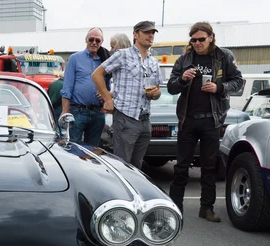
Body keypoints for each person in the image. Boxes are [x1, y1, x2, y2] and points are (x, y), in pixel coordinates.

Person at [167, 22, 243, 222]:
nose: (197, 43)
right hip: (187, 120)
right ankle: (175, 209)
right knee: (181, 167)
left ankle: (206, 208)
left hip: (212, 120)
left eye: (201, 39)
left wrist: (218, 88)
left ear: (211, 37)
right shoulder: (184, 59)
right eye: (193, 40)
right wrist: (182, 79)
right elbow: (171, 87)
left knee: (209, 167)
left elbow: (238, 82)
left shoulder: (223, 56)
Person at [92, 21, 163, 169]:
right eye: (147, 32)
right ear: (136, 35)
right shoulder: (123, 55)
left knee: (137, 167)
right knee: (122, 166)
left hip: (145, 119)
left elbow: (157, 91)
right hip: (126, 118)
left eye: (153, 33)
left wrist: (156, 93)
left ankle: (134, 193)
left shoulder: (154, 62)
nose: (151, 35)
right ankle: (119, 193)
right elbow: (97, 74)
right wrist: (107, 98)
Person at [59, 27, 110, 146]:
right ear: (86, 40)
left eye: (98, 40)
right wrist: (65, 112)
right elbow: (67, 88)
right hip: (78, 111)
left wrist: (104, 102)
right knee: (72, 148)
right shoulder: (74, 59)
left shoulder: (104, 61)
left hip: (97, 113)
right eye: (91, 39)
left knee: (92, 151)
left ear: (101, 42)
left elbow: (107, 85)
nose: (94, 42)